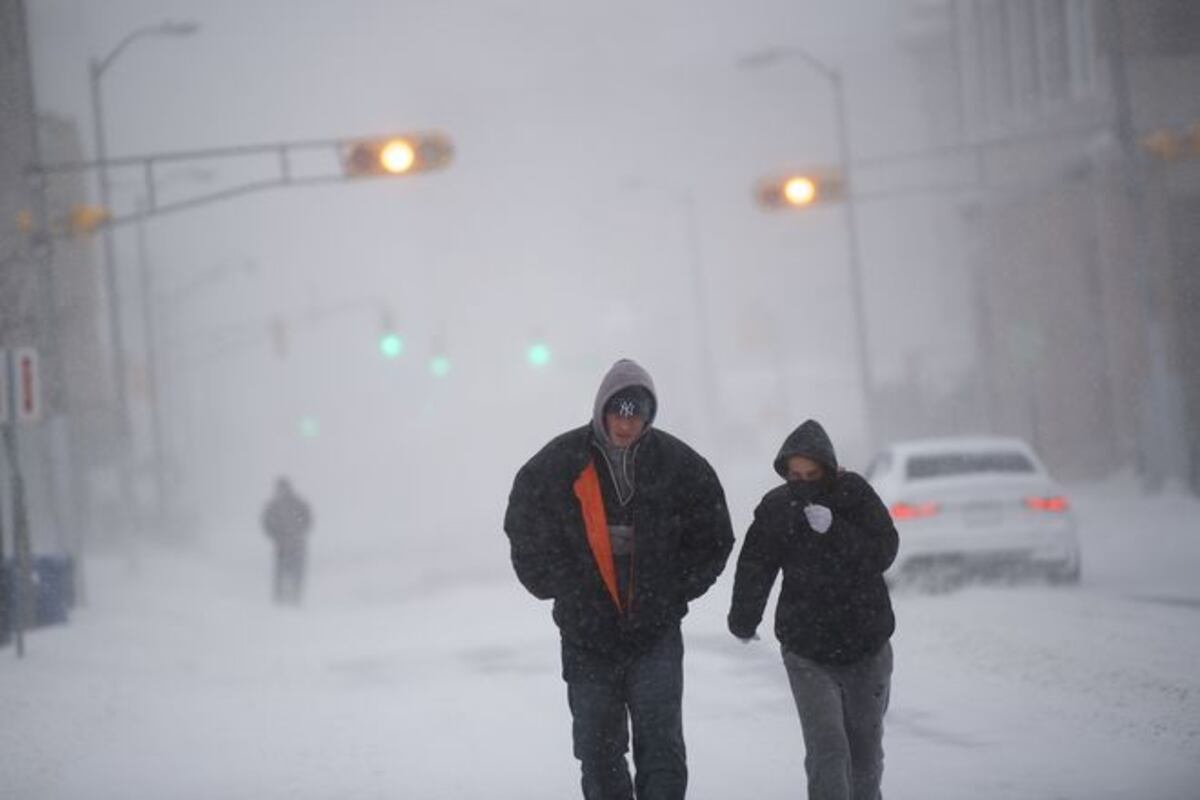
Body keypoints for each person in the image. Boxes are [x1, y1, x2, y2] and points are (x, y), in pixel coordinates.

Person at [504, 358, 734, 800]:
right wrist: (561, 585)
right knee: (598, 750)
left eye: (636, 415)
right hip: (587, 636)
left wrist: (672, 592)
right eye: (619, 413)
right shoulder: (560, 463)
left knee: (662, 751)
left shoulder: (679, 464)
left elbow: (715, 535)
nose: (626, 425)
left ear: (649, 416)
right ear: (602, 410)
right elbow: (524, 524)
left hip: (654, 634)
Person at [727, 419, 898, 800]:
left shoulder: (855, 495)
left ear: (828, 468)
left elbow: (884, 551)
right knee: (828, 749)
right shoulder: (777, 507)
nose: (803, 482)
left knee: (865, 755)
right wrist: (743, 618)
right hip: (807, 649)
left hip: (867, 645)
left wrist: (836, 529)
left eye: (812, 474)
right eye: (795, 475)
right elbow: (756, 563)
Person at [260, 477, 313, 605]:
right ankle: (279, 600)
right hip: (283, 546)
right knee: (281, 573)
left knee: (295, 573)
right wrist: (277, 536)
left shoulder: (297, 504)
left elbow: (308, 520)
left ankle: (295, 598)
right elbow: (267, 523)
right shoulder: (274, 506)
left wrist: (298, 533)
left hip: (296, 545)